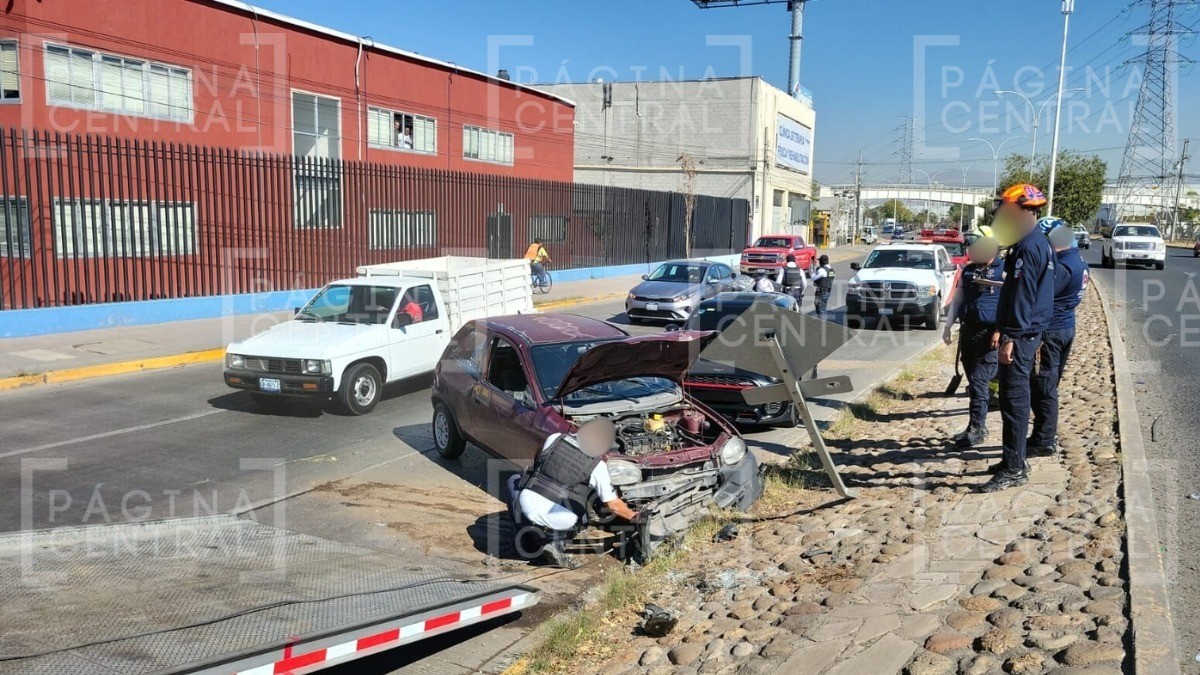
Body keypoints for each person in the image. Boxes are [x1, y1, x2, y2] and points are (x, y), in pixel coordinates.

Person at [980, 183, 1055, 493]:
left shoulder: (1030, 247)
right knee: (1014, 399)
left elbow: (1023, 297)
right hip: (1024, 332)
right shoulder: (1033, 242)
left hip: (1022, 336)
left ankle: (1014, 467)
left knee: (1014, 401)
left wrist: (1010, 335)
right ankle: (1014, 458)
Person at [509, 419, 637, 568]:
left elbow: (539, 463)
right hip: (562, 518)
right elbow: (613, 504)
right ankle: (556, 543)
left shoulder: (554, 438)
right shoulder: (598, 467)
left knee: (514, 481)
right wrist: (635, 516)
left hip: (527, 502)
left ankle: (524, 543)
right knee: (583, 513)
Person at [1027, 218, 1089, 457]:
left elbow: (1041, 295)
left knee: (1043, 386)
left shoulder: (1062, 267)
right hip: (1065, 327)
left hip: (1051, 332)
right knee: (1047, 383)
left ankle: (1043, 439)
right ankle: (1041, 435)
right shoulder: (1078, 260)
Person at [942, 231, 1004, 448]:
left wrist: (999, 331)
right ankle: (974, 425)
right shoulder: (969, 271)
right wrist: (948, 326)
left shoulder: (1003, 271)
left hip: (989, 335)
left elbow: (1010, 304)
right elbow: (958, 298)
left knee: (979, 381)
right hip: (968, 332)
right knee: (973, 381)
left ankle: (978, 427)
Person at [811, 254, 835, 318]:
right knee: (823, 308)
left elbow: (812, 277)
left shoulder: (822, 270)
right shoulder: (831, 270)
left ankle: (822, 325)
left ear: (821, 262)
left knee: (820, 309)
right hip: (827, 291)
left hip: (822, 292)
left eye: (819, 261)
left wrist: (815, 270)